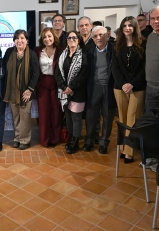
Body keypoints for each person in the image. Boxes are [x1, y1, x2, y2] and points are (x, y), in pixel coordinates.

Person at [111, 16, 146, 163]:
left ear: (135, 27)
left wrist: (132, 83)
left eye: (130, 25)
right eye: (124, 25)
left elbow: (144, 68)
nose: (127, 28)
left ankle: (129, 152)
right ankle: (123, 148)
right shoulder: (117, 45)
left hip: (138, 87)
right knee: (123, 118)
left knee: (133, 118)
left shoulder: (144, 44)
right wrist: (124, 83)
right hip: (120, 87)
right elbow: (115, 67)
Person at [3, 29, 39, 150]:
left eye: (22, 38)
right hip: (12, 92)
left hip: (26, 92)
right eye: (17, 38)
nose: (19, 41)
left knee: (25, 117)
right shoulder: (9, 52)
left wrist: (30, 90)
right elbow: (4, 70)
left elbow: (35, 73)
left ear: (27, 40)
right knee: (16, 116)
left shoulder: (32, 54)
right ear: (14, 41)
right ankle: (17, 138)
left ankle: (25, 139)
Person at [55, 31, 88, 154]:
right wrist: (64, 87)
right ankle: (70, 138)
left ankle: (75, 141)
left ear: (79, 40)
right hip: (64, 92)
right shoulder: (62, 54)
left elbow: (84, 74)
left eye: (74, 37)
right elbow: (57, 72)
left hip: (77, 92)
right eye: (69, 37)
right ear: (66, 40)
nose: (72, 39)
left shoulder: (83, 55)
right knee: (68, 115)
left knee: (76, 117)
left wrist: (72, 87)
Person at [85, 26, 116, 154]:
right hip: (94, 87)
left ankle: (104, 142)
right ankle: (90, 139)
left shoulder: (114, 50)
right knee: (91, 116)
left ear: (107, 35)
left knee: (108, 117)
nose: (99, 38)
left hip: (110, 87)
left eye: (101, 35)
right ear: (92, 38)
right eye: (96, 36)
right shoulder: (90, 52)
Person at [34, 27, 63, 147]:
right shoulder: (37, 50)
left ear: (54, 37)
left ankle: (55, 139)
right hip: (42, 84)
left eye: (49, 36)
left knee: (56, 113)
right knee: (44, 113)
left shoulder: (61, 50)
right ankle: (45, 139)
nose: (47, 39)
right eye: (44, 37)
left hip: (56, 83)